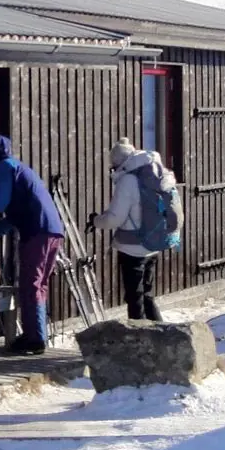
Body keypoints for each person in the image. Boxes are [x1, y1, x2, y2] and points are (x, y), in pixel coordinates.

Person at [0, 134, 65, 355]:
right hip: (52, 230)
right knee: (38, 284)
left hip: (37, 231)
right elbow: (12, 215)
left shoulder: (3, 167)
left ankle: (35, 339)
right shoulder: (20, 169)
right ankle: (35, 334)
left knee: (31, 284)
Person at [94, 137, 167, 322]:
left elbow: (114, 219)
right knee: (148, 296)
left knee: (135, 299)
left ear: (119, 162)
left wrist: (96, 220)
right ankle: (161, 337)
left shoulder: (128, 180)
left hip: (133, 248)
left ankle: (139, 341)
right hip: (154, 243)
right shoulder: (155, 172)